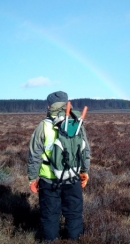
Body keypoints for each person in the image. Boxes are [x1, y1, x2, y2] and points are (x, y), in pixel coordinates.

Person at [27, 91, 91, 241]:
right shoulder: (77, 123)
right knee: (74, 213)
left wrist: (32, 178)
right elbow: (85, 150)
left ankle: (50, 241)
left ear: (49, 106)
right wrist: (84, 171)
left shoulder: (43, 126)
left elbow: (34, 155)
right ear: (67, 103)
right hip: (73, 177)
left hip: (49, 180)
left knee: (50, 215)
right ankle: (74, 240)